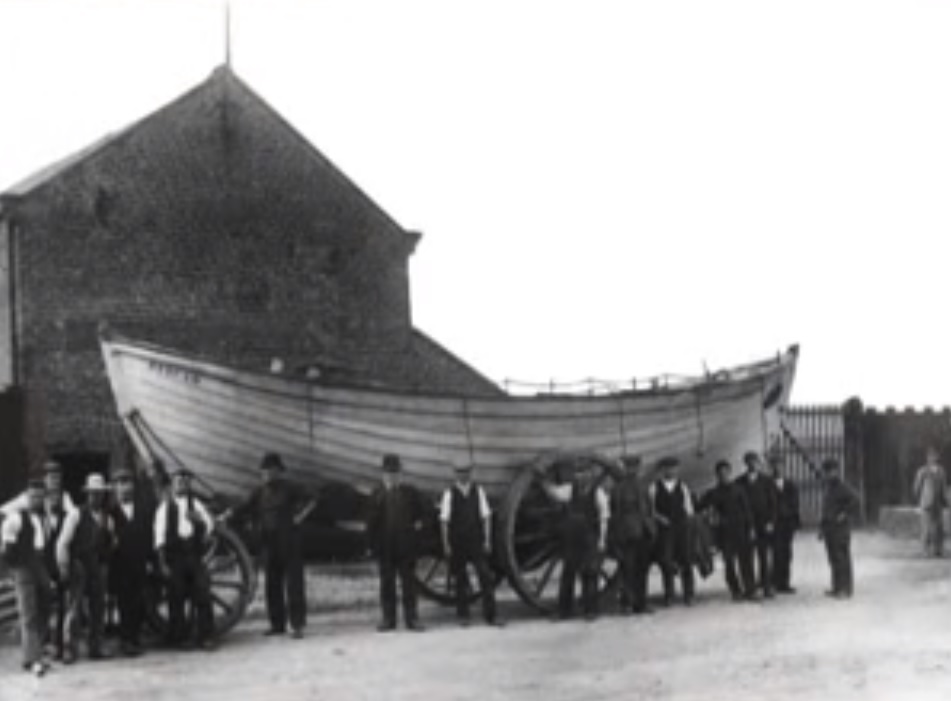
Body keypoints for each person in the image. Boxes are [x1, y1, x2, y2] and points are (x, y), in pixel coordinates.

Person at [231, 452, 318, 639]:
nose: (267, 474)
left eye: (271, 470)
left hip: (290, 541)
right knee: (272, 585)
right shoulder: (259, 492)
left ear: (279, 471)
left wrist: (300, 517)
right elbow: (243, 507)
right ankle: (277, 624)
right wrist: (226, 515)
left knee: (294, 584)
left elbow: (313, 498)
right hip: (269, 543)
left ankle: (297, 625)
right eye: (264, 471)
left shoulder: (290, 487)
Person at [534, 453, 610, 621]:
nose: (580, 476)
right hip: (572, 540)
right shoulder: (570, 489)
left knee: (590, 575)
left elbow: (604, 517)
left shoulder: (598, 493)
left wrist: (602, 540)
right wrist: (542, 481)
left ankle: (590, 610)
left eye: (584, 473)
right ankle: (564, 610)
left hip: (589, 538)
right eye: (577, 473)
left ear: (590, 474)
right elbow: (554, 493)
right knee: (568, 574)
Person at [154, 467, 216, 649]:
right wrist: (163, 562)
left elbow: (210, 524)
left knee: (203, 594)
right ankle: (181, 637)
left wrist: (200, 521)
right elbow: (158, 536)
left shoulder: (195, 504)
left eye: (186, 482)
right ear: (173, 485)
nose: (182, 484)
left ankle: (206, 636)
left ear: (189, 485)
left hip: (194, 556)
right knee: (176, 596)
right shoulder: (165, 507)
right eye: (179, 482)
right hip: (175, 558)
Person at [57, 473, 115, 662]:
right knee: (74, 607)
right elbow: (63, 543)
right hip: (79, 566)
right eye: (92, 493)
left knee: (98, 607)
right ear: (87, 494)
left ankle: (95, 646)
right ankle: (69, 648)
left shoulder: (108, 519)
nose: (95, 497)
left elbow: (111, 543)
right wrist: (64, 566)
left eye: (99, 494)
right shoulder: (76, 514)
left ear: (103, 495)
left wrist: (110, 549)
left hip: (98, 567)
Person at [365, 454, 428, 632]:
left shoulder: (410, 492)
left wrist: (420, 524)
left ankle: (412, 619)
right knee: (387, 584)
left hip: (406, 547)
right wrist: (370, 546)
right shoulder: (376, 494)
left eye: (395, 472)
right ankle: (388, 619)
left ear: (401, 473)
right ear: (383, 474)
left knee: (409, 584)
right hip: (385, 548)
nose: (392, 476)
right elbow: (370, 523)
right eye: (388, 473)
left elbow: (426, 511)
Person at [439, 463, 502, 627]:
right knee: (460, 579)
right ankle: (463, 615)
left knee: (485, 575)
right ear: (455, 474)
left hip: (476, 540)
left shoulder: (478, 491)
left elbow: (486, 516)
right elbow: (444, 521)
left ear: (470, 473)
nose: (463, 476)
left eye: (466, 472)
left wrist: (487, 540)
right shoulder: (449, 493)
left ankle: (491, 615)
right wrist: (446, 544)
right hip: (457, 541)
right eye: (460, 472)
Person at [0, 479, 52, 676]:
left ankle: (34, 652)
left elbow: (42, 544)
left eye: (39, 496)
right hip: (23, 566)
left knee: (45, 603)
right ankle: (33, 659)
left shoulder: (40, 517)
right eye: (32, 496)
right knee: (28, 612)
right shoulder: (15, 517)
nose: (36, 500)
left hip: (38, 564)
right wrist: (16, 570)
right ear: (26, 496)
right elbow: (6, 548)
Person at [109, 464, 155, 656]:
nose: (124, 487)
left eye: (127, 483)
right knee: (123, 601)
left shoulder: (144, 510)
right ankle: (125, 639)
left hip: (139, 561)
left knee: (138, 600)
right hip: (119, 564)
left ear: (133, 487)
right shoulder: (110, 511)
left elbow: (150, 536)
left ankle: (135, 637)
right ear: (115, 488)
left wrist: (151, 560)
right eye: (120, 483)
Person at [699, 460, 756, 601]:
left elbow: (747, 510)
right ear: (717, 475)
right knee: (729, 563)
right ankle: (735, 591)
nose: (723, 476)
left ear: (730, 473)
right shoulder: (713, 493)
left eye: (726, 473)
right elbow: (699, 506)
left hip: (741, 529)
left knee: (746, 562)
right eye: (720, 474)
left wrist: (751, 528)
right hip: (724, 532)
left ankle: (750, 590)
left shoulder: (739, 490)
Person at [609, 454, 656, 614]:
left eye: (635, 467)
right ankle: (627, 603)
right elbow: (615, 512)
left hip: (643, 532)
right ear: (625, 468)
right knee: (627, 569)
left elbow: (649, 509)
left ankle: (641, 603)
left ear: (638, 468)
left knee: (642, 569)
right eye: (629, 467)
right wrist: (616, 534)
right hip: (626, 533)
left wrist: (650, 528)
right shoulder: (618, 489)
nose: (632, 470)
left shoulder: (643, 487)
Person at [649, 456, 695, 606]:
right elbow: (651, 510)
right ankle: (669, 594)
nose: (671, 471)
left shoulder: (683, 486)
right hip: (665, 529)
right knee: (666, 561)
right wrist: (659, 518)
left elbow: (688, 509)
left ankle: (689, 594)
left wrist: (688, 524)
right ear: (663, 470)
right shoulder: (654, 487)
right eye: (668, 468)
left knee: (686, 561)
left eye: (674, 468)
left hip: (681, 527)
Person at [736, 451, 778, 599]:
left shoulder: (767, 481)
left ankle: (766, 586)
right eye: (749, 461)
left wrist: (771, 522)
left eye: (754, 461)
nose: (752, 464)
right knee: (746, 557)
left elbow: (773, 503)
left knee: (763, 556)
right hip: (746, 525)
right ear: (745, 463)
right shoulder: (739, 482)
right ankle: (750, 588)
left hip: (763, 524)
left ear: (758, 463)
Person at [819, 458, 860, 599]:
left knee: (842, 558)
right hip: (830, 528)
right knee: (833, 559)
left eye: (831, 471)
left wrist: (844, 513)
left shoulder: (842, 487)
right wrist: (821, 528)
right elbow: (825, 509)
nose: (829, 474)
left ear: (836, 471)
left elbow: (856, 500)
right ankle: (836, 587)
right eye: (827, 471)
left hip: (840, 529)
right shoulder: (828, 487)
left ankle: (845, 589)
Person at [768, 450, 801, 593]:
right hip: (773, 523)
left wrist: (792, 519)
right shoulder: (767, 483)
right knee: (775, 552)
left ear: (784, 467)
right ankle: (774, 582)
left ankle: (784, 583)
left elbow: (795, 503)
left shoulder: (790, 484)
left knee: (787, 553)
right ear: (771, 467)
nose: (777, 468)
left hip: (786, 524)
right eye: (775, 466)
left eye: (780, 465)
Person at [913, 446, 947, 558]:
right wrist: (919, 502)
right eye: (930, 456)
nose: (932, 458)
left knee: (939, 528)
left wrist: (945, 500)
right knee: (926, 528)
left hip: (938, 503)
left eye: (934, 456)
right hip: (926, 503)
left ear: (937, 457)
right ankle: (925, 550)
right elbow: (917, 487)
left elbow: (944, 487)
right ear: (927, 458)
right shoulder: (922, 471)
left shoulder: (941, 471)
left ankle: (938, 550)